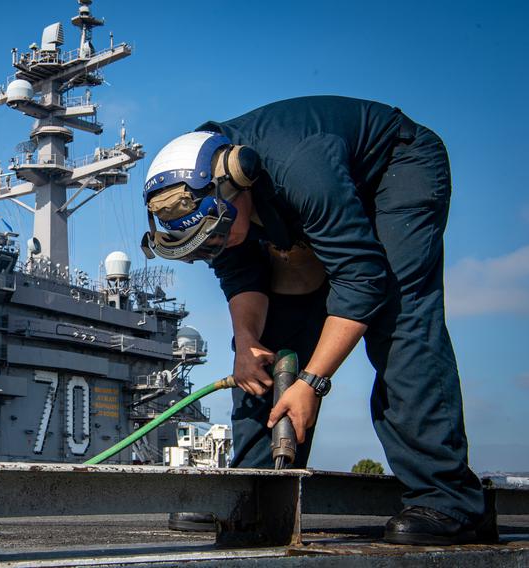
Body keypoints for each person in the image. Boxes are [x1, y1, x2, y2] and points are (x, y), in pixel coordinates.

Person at [141, 96, 493, 545]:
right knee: (262, 349)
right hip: (305, 205)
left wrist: (312, 381)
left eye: (219, 234)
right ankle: (257, 492)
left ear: (239, 185)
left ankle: (451, 500)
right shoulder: (194, 188)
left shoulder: (299, 167)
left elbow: (362, 278)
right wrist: (246, 343)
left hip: (394, 167)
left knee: (399, 319)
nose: (220, 246)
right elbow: (240, 272)